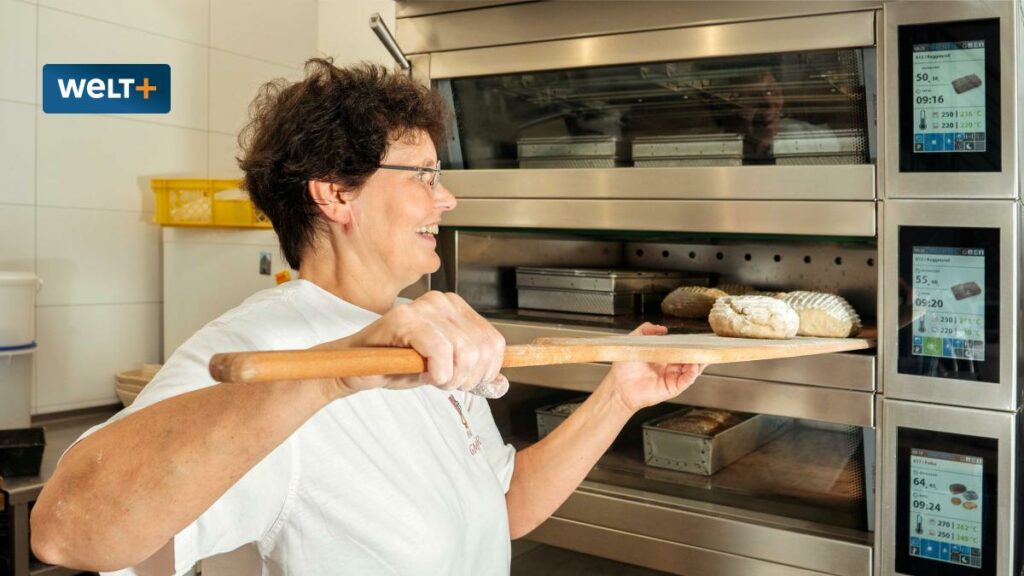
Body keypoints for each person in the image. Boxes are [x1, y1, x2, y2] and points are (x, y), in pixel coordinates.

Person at [30, 59, 704, 575]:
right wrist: (334, 378)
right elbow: (66, 530)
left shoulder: (420, 325)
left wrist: (618, 395)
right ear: (335, 193)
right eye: (424, 174)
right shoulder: (265, 345)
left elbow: (504, 508)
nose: (448, 200)